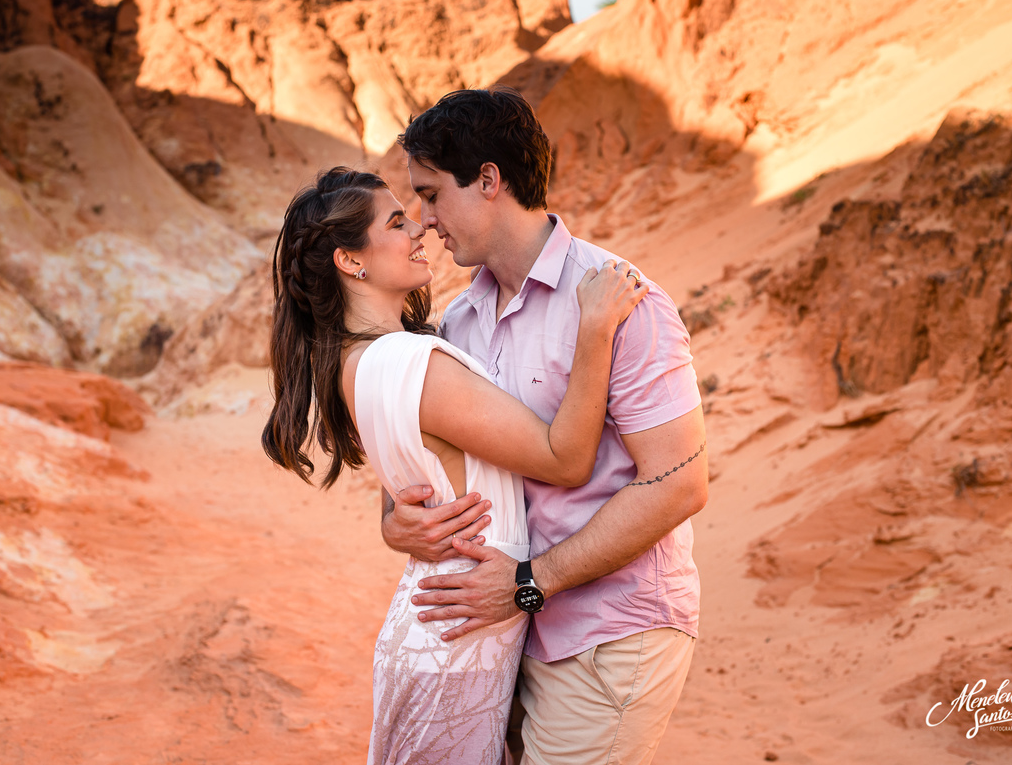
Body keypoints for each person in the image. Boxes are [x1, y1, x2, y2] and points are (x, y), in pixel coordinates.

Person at [261, 166, 648, 764]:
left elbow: (418, 475)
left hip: (440, 624)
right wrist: (595, 328)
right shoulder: (416, 361)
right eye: (395, 222)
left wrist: (394, 520)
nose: (417, 227)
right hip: (458, 638)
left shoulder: (354, 362)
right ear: (349, 260)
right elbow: (565, 459)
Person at [382, 86, 709, 764]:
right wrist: (395, 521)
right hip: (507, 637)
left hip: (610, 633)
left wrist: (531, 580)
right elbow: (438, 467)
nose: (425, 219)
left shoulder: (623, 300)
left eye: (433, 193)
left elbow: (679, 484)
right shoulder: (460, 324)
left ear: (489, 180)